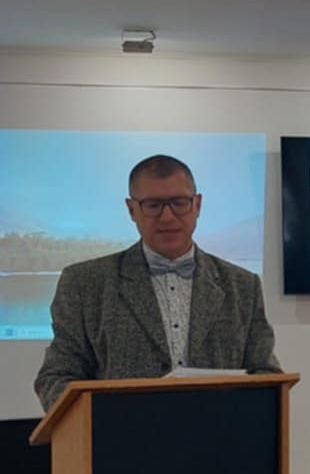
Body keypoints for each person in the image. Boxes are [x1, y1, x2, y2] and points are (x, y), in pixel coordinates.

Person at [35, 154, 279, 411]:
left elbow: (266, 374)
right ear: (132, 210)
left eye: (179, 203)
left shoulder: (243, 286)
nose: (167, 217)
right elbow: (56, 378)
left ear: (197, 205)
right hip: (119, 434)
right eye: (153, 205)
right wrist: (103, 418)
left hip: (221, 433)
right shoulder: (84, 284)